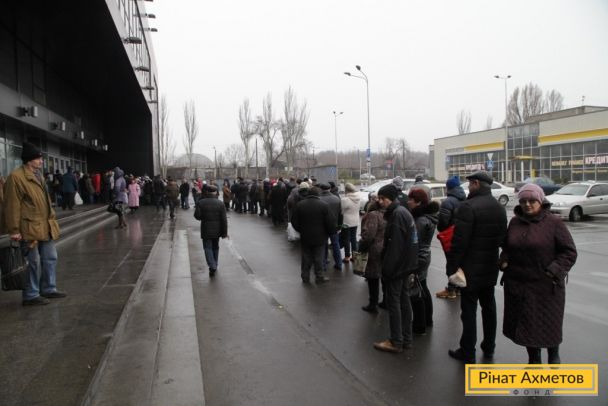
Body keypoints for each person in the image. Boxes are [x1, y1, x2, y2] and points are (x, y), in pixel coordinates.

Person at [500, 184, 577, 364]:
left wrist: (553, 271)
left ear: (541, 201)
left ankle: (553, 355)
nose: (527, 204)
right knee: (527, 325)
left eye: (532, 201)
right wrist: (504, 260)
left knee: (548, 324)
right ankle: (534, 360)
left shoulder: (554, 223)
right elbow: (507, 247)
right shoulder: (515, 222)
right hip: (519, 285)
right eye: (523, 201)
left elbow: (569, 252)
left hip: (546, 287)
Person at [447, 171, 507, 364]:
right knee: (489, 307)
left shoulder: (468, 207)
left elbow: (459, 242)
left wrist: (451, 268)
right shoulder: (499, 208)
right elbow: (503, 239)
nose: (468, 187)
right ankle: (489, 346)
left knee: (469, 310)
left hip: (469, 269)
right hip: (490, 266)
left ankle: (468, 351)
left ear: (476, 184)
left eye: (470, 184)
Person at [3, 142, 65, 305]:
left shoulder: (38, 175)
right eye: (38, 158)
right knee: (32, 262)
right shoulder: (16, 177)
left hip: (45, 225)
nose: (41, 161)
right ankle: (31, 295)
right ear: (29, 160)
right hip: (29, 228)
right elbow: (12, 206)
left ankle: (48, 288)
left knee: (50, 257)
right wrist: (14, 230)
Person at [373, 184, 418, 353]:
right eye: (379, 198)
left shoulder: (397, 215)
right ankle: (406, 339)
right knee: (404, 302)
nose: (380, 201)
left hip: (397, 268)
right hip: (405, 266)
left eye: (382, 198)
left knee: (394, 303)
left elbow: (395, 247)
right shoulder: (403, 211)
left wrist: (387, 271)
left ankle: (396, 341)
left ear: (390, 199)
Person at [407, 188, 439, 335]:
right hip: (425, 255)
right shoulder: (427, 217)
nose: (408, 202)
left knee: (415, 292)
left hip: (418, 257)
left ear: (418, 202)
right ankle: (427, 320)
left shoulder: (420, 220)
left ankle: (419, 325)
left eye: (411, 200)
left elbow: (414, 242)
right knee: (423, 287)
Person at [291, 186, 336, 284]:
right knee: (318, 257)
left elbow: (294, 221)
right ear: (318, 194)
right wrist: (330, 232)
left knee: (306, 257)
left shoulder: (300, 205)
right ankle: (319, 277)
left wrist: (301, 230)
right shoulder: (324, 205)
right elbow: (330, 222)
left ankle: (305, 276)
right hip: (320, 236)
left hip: (305, 236)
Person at [435, 176, 466, 299]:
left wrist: (441, 229)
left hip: (450, 236)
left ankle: (451, 289)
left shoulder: (448, 202)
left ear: (448, 187)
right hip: (462, 235)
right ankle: (459, 287)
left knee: (451, 263)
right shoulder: (465, 199)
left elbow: (443, 221)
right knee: (459, 262)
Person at [358, 193, 386, 313]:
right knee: (384, 276)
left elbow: (369, 235)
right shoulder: (387, 214)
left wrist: (361, 246)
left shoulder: (373, 215)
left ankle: (373, 304)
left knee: (373, 278)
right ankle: (385, 301)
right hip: (385, 248)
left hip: (374, 250)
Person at [194, 185, 227, 277]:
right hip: (217, 230)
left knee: (207, 247)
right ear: (215, 192)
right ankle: (215, 264)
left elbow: (197, 216)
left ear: (207, 192)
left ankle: (212, 265)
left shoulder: (201, 202)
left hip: (206, 228)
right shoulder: (220, 203)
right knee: (215, 247)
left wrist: (203, 217)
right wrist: (224, 233)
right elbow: (224, 220)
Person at [319, 183, 343, 271]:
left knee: (323, 245)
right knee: (335, 244)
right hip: (334, 225)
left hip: (322, 226)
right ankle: (339, 264)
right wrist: (340, 226)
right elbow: (340, 214)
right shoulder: (336, 198)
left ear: (321, 189)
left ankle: (324, 264)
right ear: (329, 189)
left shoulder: (319, 199)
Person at [340, 183, 360, 262]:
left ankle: (347, 256)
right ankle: (354, 256)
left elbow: (341, 211)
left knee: (346, 239)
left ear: (346, 190)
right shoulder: (358, 198)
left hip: (346, 222)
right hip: (355, 220)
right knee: (353, 238)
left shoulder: (345, 199)